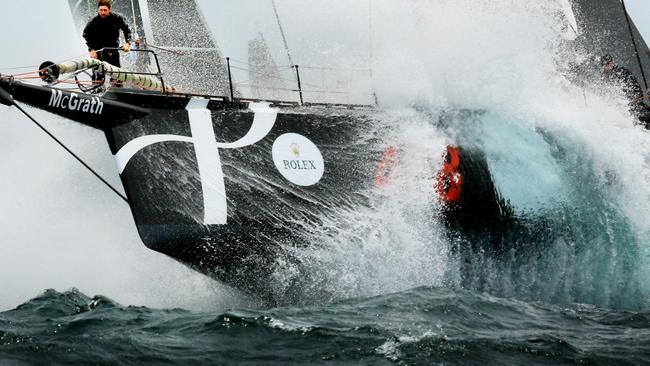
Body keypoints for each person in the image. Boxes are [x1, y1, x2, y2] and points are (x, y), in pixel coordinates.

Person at [600, 54, 650, 128]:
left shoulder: (622, 71)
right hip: (627, 106)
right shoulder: (606, 76)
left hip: (634, 104)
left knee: (642, 118)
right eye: (605, 64)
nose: (607, 66)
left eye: (608, 63)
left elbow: (635, 87)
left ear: (612, 62)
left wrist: (635, 98)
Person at [82, 0, 132, 71]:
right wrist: (91, 49)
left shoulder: (117, 18)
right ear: (98, 10)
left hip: (113, 51)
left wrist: (128, 43)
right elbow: (85, 35)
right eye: (101, 10)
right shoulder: (93, 21)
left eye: (105, 10)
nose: (103, 12)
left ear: (109, 10)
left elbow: (127, 30)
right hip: (98, 52)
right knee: (98, 75)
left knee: (117, 76)